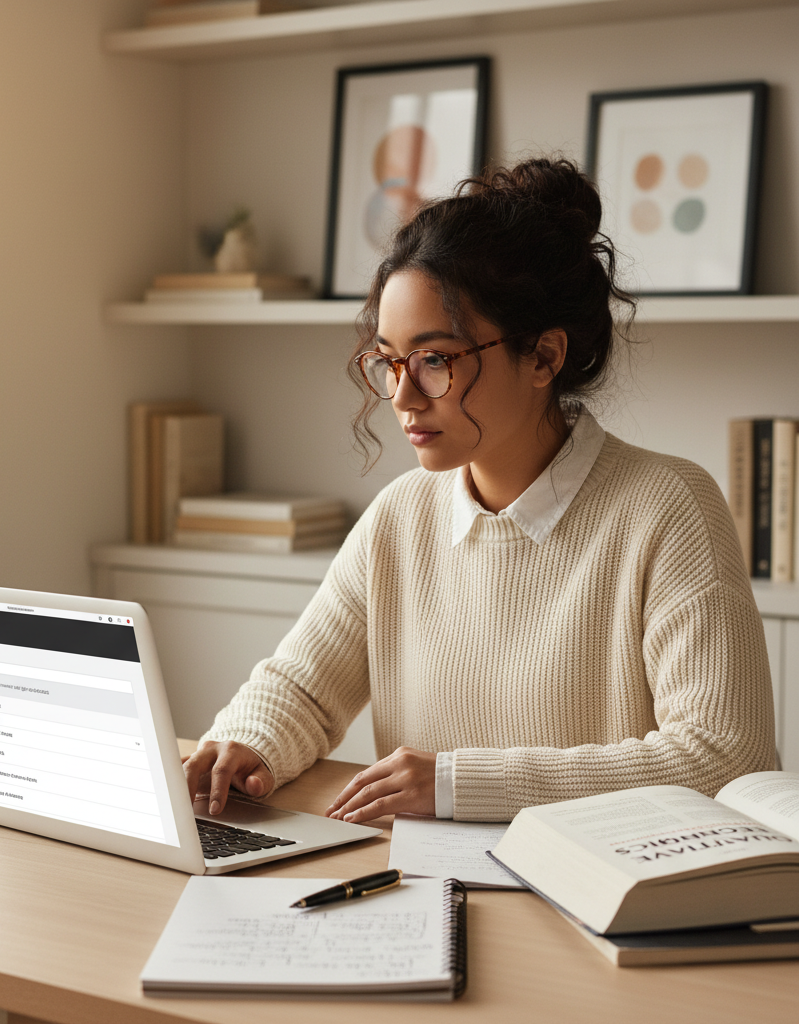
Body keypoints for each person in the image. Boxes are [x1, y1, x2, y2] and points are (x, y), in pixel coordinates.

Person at [182, 157, 776, 825]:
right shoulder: (400, 518)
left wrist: (459, 783)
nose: (402, 396)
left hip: (596, 906)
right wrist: (242, 742)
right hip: (422, 894)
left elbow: (726, 757)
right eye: (388, 361)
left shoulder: (670, 509)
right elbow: (302, 690)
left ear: (544, 357)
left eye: (435, 359)